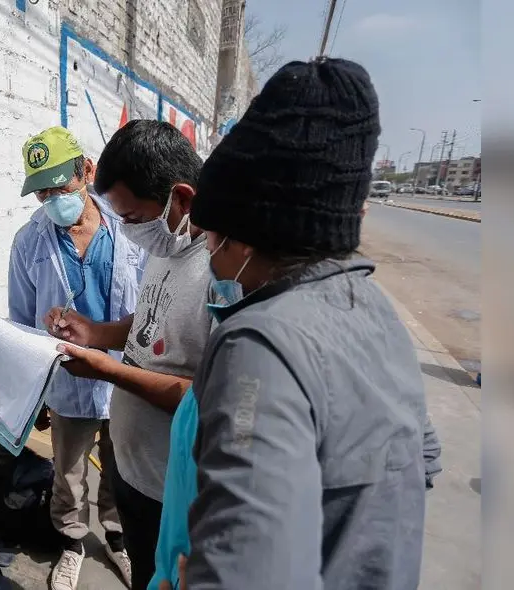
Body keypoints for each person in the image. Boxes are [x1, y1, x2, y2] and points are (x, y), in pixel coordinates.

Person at [171, 57, 428, 589]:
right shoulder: (375, 313)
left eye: (212, 239)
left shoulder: (258, 348)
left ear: (245, 238)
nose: (212, 259)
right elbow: (420, 460)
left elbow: (246, 573)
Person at [44, 120, 212, 590]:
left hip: (173, 492)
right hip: (133, 472)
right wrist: (96, 332)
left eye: (134, 218)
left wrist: (111, 372)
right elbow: (152, 321)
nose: (128, 231)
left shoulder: (221, 269)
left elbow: (210, 398)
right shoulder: (167, 243)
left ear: (180, 199)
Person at [9, 126, 143, 590]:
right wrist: (35, 394)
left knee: (123, 466)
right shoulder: (29, 243)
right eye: (42, 192)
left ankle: (118, 538)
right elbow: (23, 322)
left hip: (126, 378)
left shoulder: (130, 228)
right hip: (66, 384)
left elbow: (149, 305)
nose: (52, 200)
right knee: (68, 473)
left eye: (59, 187)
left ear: (86, 171)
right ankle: (71, 542)